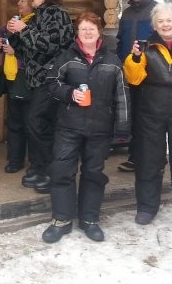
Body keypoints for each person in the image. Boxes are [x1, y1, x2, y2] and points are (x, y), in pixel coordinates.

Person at [41, 12, 130, 244]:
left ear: (99, 31)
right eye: (83, 29)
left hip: (100, 128)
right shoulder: (67, 57)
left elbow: (122, 95)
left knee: (93, 173)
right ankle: (61, 219)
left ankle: (89, 219)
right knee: (62, 170)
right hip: (69, 126)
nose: (88, 32)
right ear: (77, 33)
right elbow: (51, 83)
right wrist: (70, 94)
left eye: (92, 28)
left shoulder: (112, 61)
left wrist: (123, 127)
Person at [123, 3, 172, 226]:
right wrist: (135, 58)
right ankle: (147, 207)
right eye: (160, 21)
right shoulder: (146, 48)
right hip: (151, 112)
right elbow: (134, 79)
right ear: (154, 25)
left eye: (169, 20)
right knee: (149, 159)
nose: (165, 24)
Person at [6, 0, 74, 193]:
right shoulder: (37, 16)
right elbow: (26, 48)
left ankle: (49, 170)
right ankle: (38, 167)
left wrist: (24, 29)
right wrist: (13, 34)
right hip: (35, 79)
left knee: (37, 121)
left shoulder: (57, 14)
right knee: (36, 123)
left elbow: (49, 45)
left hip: (51, 78)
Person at [116, 0, 158, 172]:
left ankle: (150, 159)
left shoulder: (157, 11)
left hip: (150, 75)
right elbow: (119, 41)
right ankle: (134, 156)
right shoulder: (127, 13)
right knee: (133, 115)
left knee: (147, 118)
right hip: (128, 73)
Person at [0, 0, 34, 173]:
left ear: (32, 4)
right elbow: (1, 35)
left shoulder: (35, 23)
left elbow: (38, 52)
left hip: (25, 77)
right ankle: (15, 160)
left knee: (29, 121)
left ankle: (34, 162)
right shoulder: (15, 21)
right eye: (19, 1)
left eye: (23, 2)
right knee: (14, 121)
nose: (19, 4)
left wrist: (15, 51)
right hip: (10, 76)